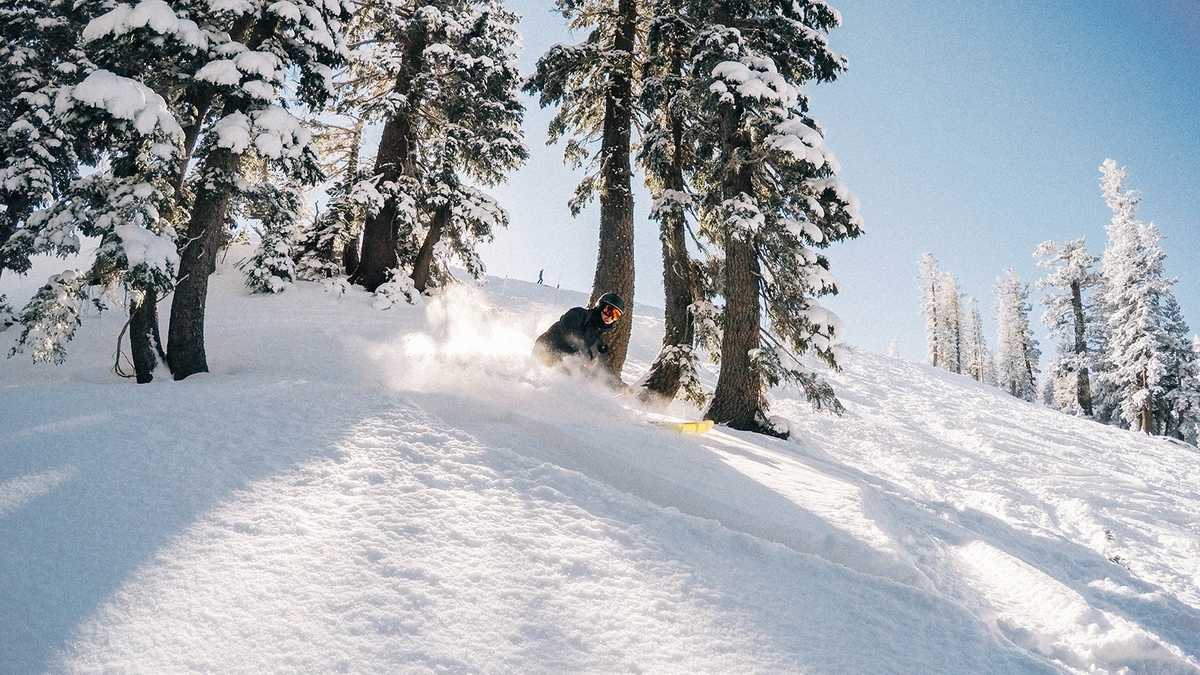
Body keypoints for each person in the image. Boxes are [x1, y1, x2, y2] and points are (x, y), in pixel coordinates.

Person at [533, 292, 625, 374]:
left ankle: (618, 390)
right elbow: (570, 332)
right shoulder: (579, 314)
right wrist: (585, 351)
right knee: (573, 374)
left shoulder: (596, 336)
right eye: (609, 311)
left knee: (586, 376)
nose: (610, 317)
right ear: (601, 306)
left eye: (615, 315)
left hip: (562, 361)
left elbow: (598, 362)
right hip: (546, 351)